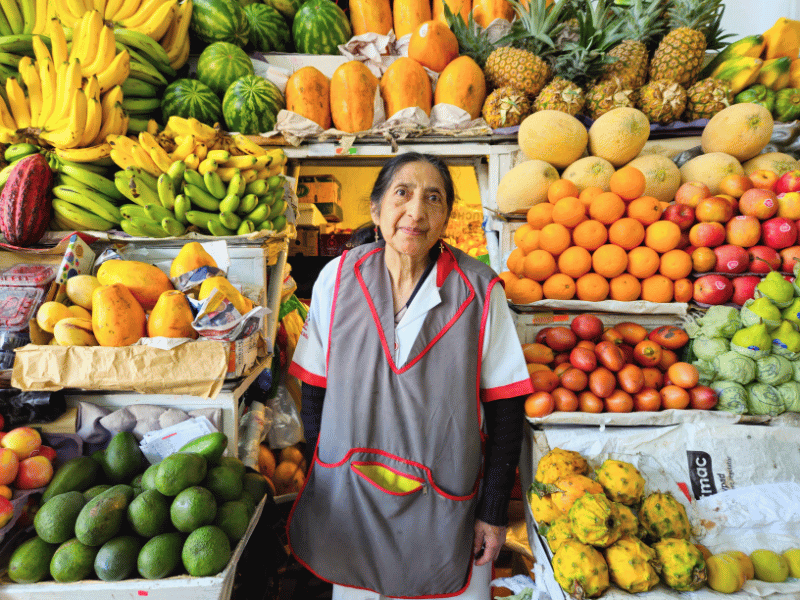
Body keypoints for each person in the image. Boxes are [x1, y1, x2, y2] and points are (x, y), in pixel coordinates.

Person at [287, 152, 533, 600]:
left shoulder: (480, 291)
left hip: (444, 510)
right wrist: (324, 478)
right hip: (353, 500)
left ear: (445, 218)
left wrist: (494, 510)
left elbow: (505, 407)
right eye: (403, 193)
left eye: (433, 198)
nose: (416, 212)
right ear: (377, 209)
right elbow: (314, 389)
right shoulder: (337, 279)